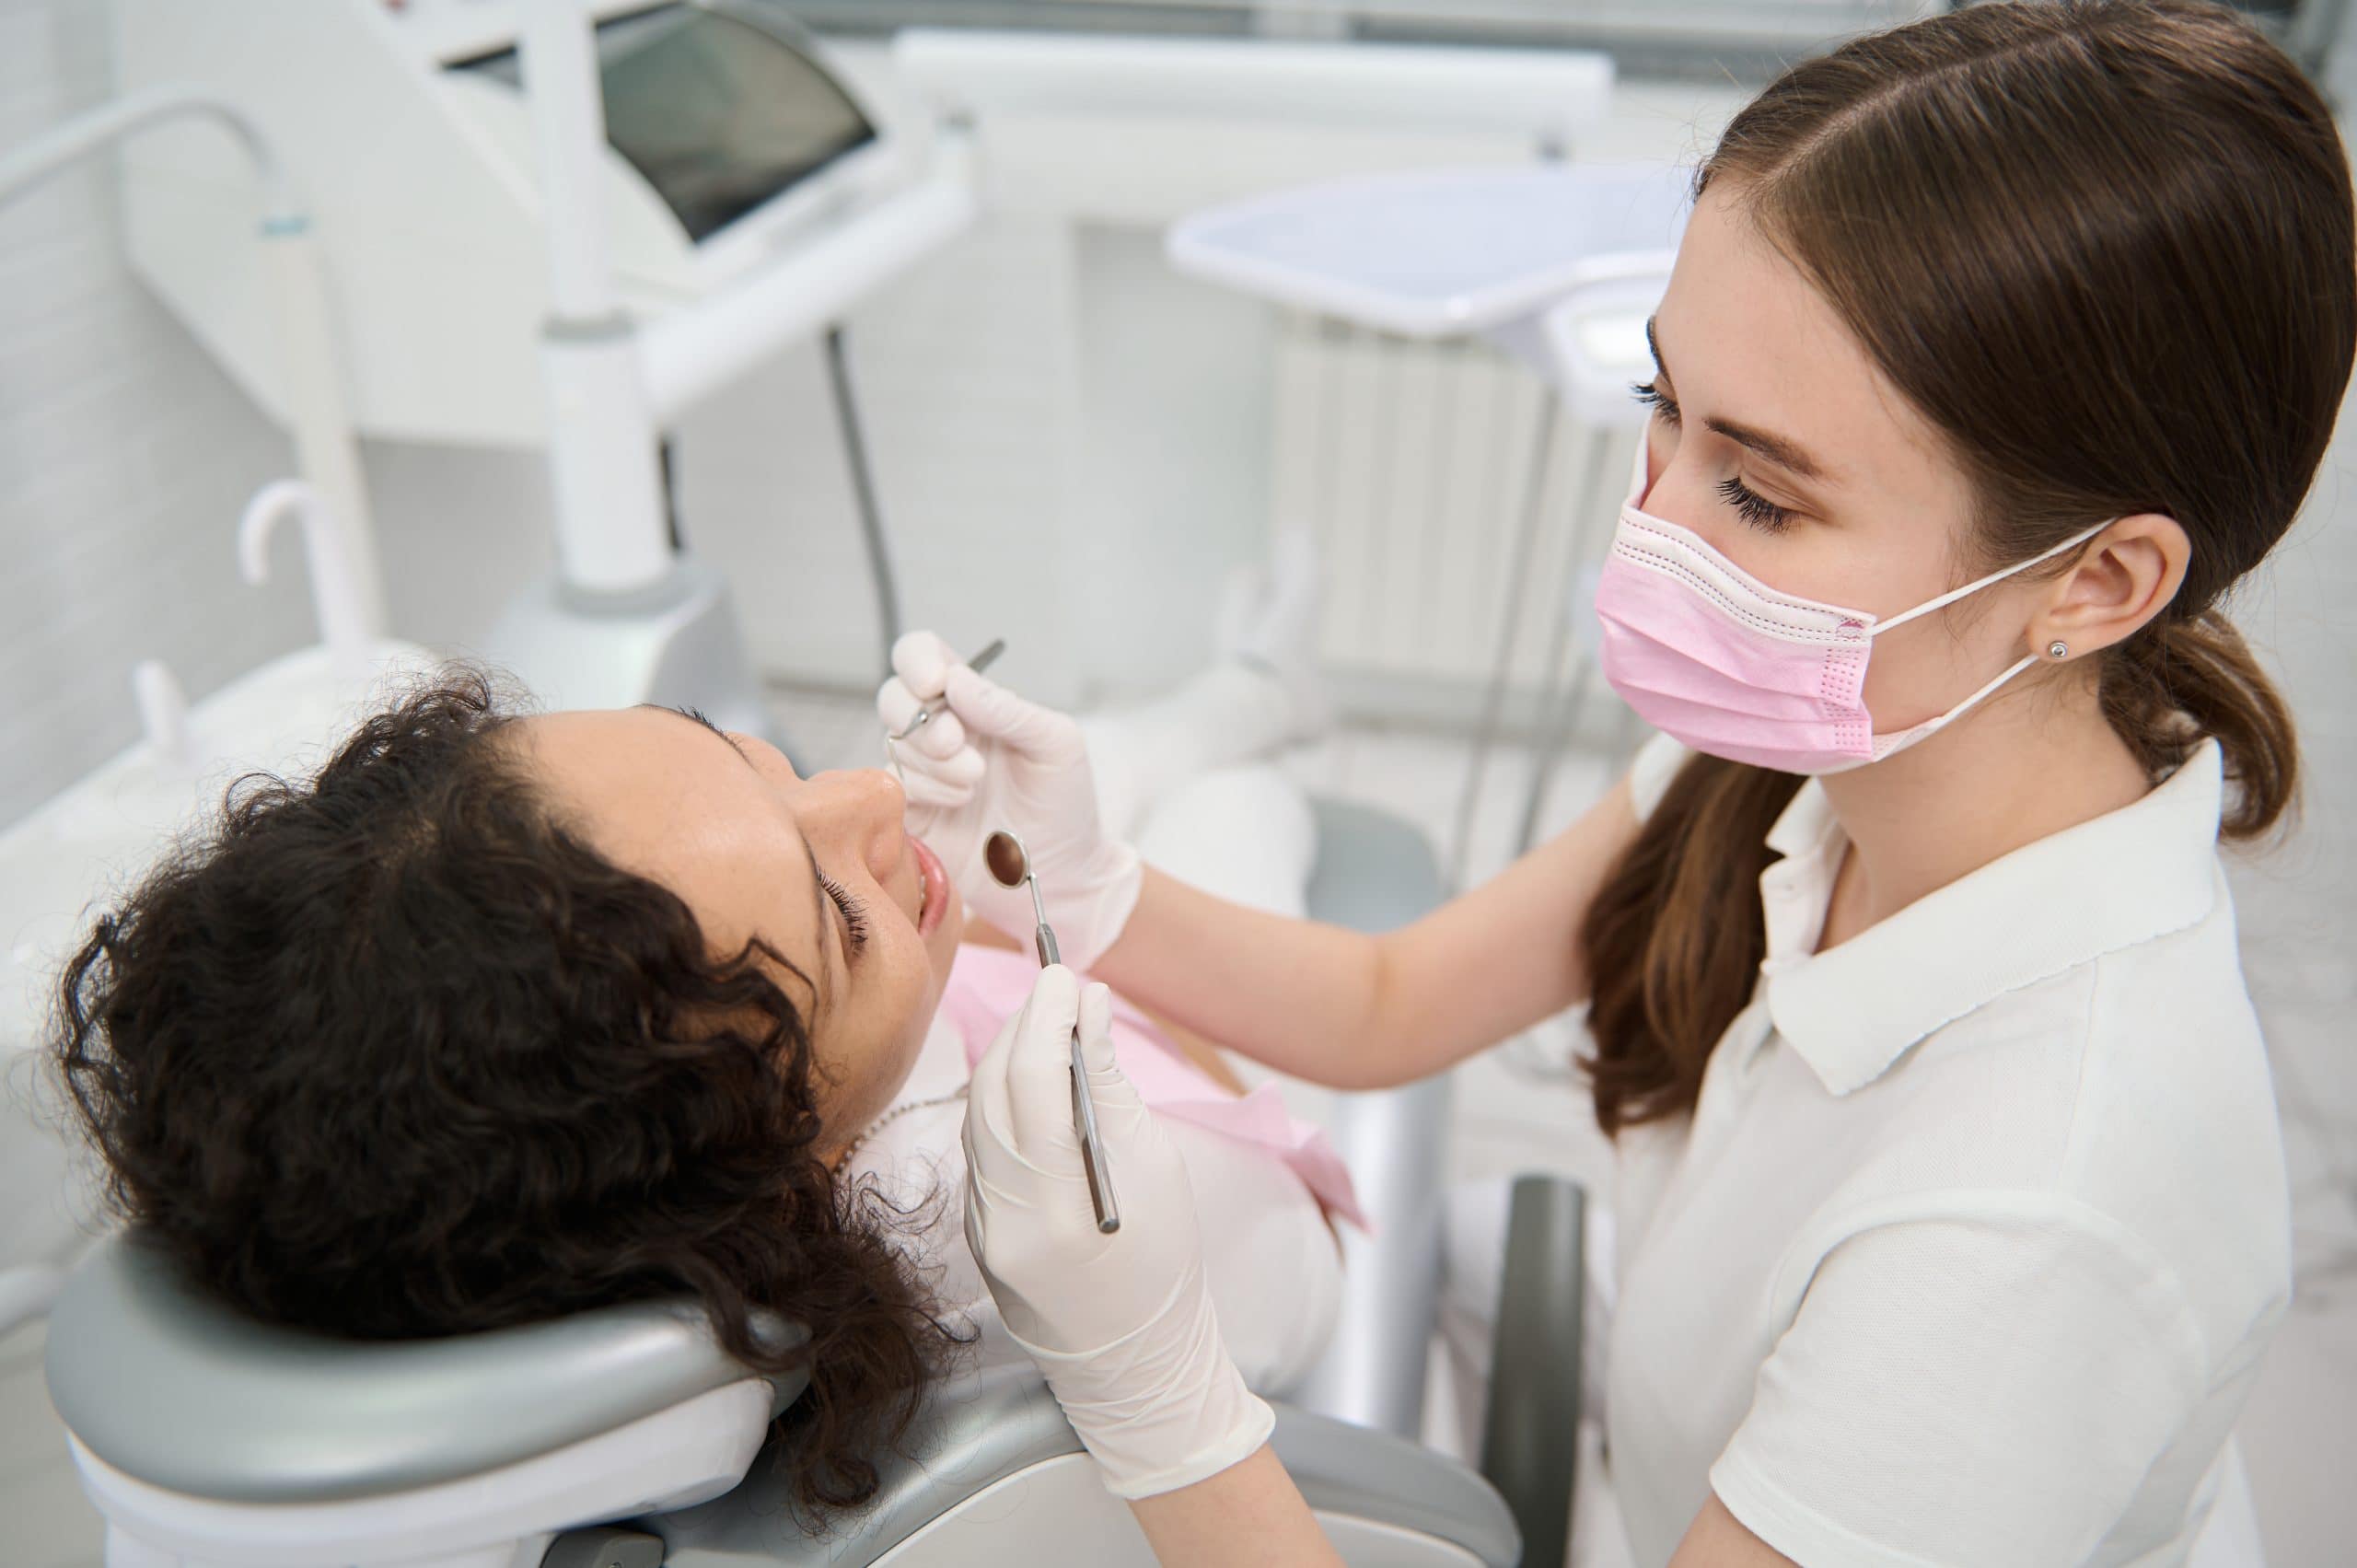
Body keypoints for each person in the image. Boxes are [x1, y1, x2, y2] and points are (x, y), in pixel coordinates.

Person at [887, 2, 2352, 1562]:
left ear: (2098, 583)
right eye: (1665, 406)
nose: (1654, 527)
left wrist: (1154, 1387)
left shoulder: (2046, 1213)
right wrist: (1075, 873)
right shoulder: (1817, 746)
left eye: (1764, 494)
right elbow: (1390, 1005)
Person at [44, 597, 1346, 1519]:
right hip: (1250, 1145)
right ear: (770, 1187)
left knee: (1106, 759)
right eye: (838, 923)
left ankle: (1251, 683)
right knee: (1238, 808)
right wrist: (1110, 950)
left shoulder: (752, 1043)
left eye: (742, 754)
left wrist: (964, 911)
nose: (873, 797)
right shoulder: (1031, 1231)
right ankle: (1275, 699)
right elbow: (1306, 1215)